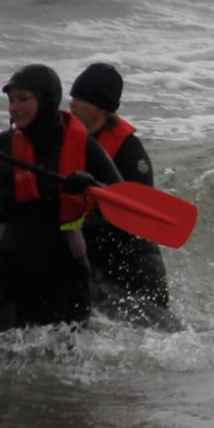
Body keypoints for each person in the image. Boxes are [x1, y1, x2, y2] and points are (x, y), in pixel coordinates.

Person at [0, 64, 122, 331]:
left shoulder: (86, 147)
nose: (13, 107)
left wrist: (91, 184)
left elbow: (119, 205)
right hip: (4, 272)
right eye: (11, 100)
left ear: (46, 100)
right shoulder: (4, 145)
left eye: (23, 99)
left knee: (61, 356)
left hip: (66, 275)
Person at [68, 62, 176, 328]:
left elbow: (136, 216)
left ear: (102, 108)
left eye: (82, 99)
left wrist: (78, 223)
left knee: (155, 337)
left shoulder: (130, 152)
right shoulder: (66, 138)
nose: (73, 104)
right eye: (73, 97)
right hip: (94, 260)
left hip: (135, 266)